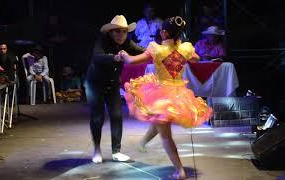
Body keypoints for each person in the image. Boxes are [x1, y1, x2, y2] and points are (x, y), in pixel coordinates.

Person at [119, 16, 212, 179]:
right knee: (160, 120)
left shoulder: (157, 49)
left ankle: (180, 170)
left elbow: (132, 61)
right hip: (180, 95)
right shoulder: (186, 48)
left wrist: (123, 54)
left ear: (163, 33)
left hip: (161, 94)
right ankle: (143, 142)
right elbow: (196, 59)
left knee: (165, 135)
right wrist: (183, 56)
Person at [84, 15, 145, 164]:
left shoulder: (127, 43)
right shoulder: (102, 41)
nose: (121, 35)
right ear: (111, 32)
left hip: (112, 84)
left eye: (124, 32)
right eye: (118, 32)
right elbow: (97, 57)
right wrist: (115, 58)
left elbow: (142, 51)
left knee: (117, 116)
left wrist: (157, 51)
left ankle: (116, 152)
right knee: (97, 117)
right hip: (95, 84)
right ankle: (97, 150)